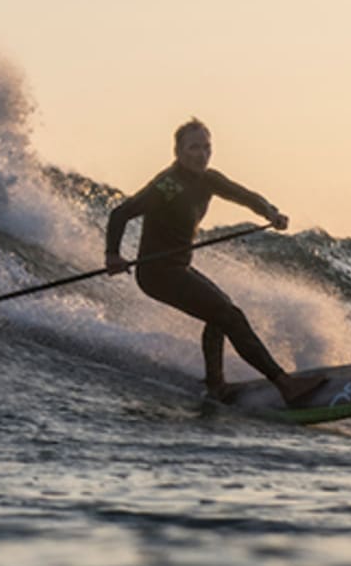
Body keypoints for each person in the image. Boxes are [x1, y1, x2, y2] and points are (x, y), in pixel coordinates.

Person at [105, 118, 325, 405]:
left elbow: (243, 195)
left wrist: (270, 212)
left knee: (221, 313)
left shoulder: (208, 180)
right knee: (229, 315)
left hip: (178, 268)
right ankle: (285, 384)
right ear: (178, 152)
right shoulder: (168, 185)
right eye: (194, 147)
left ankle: (216, 385)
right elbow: (120, 214)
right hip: (157, 273)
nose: (201, 154)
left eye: (206, 147)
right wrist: (112, 255)